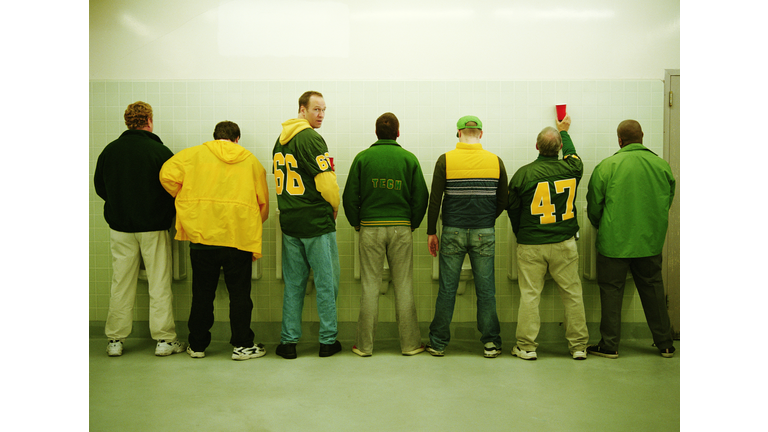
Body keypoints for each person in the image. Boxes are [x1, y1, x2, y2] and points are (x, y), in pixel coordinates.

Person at [159, 121, 269, 361]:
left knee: (202, 294)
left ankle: (197, 345)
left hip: (202, 237)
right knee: (240, 295)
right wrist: (249, 227)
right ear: (237, 139)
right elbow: (263, 205)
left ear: (215, 137)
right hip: (238, 239)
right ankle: (242, 345)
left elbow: (166, 175)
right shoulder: (251, 161)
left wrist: (186, 198)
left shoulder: (193, 155)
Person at [94, 101, 185, 357]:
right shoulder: (160, 151)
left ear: (127, 122)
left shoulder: (110, 151)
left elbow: (101, 187)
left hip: (120, 227)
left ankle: (115, 340)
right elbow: (173, 189)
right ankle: (164, 340)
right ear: (149, 121)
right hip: (153, 227)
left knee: (120, 283)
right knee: (159, 283)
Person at [586, 119, 676, 359]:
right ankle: (665, 344)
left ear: (619, 140)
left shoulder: (608, 166)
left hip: (614, 244)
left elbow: (594, 207)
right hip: (649, 242)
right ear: (642, 136)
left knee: (611, 292)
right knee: (654, 291)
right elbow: (667, 200)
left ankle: (609, 345)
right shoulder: (661, 166)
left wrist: (603, 225)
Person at [342, 112, 429, 357]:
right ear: (398, 133)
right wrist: (412, 224)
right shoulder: (408, 158)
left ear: (377, 132)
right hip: (401, 227)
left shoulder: (363, 158)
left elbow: (349, 196)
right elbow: (421, 196)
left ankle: (364, 346)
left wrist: (356, 223)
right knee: (404, 286)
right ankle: (410, 344)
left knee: (370, 287)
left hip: (369, 227)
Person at [506, 115, 589, 361]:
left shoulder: (523, 174)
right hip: (564, 243)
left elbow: (511, 208)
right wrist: (565, 132)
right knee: (572, 293)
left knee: (530, 295)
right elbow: (574, 157)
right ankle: (578, 347)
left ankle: (527, 346)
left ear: (536, 147)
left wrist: (522, 232)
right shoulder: (572, 168)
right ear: (560, 148)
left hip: (531, 244)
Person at [425, 115, 508, 358]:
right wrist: (486, 219)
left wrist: (432, 231)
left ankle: (438, 343)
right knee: (486, 290)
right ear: (481, 134)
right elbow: (503, 200)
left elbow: (435, 199)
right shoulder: (495, 161)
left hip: (452, 231)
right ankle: (491, 343)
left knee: (447, 289)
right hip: (484, 231)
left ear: (458, 133)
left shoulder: (446, 160)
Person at [273, 91, 342, 359]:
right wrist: (335, 204)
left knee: (293, 284)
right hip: (315, 221)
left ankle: (288, 342)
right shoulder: (311, 138)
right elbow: (326, 181)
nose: (321, 114)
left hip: (290, 221)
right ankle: (327, 341)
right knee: (326, 282)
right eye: (316, 109)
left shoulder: (280, 141)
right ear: (302, 110)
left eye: (324, 109)